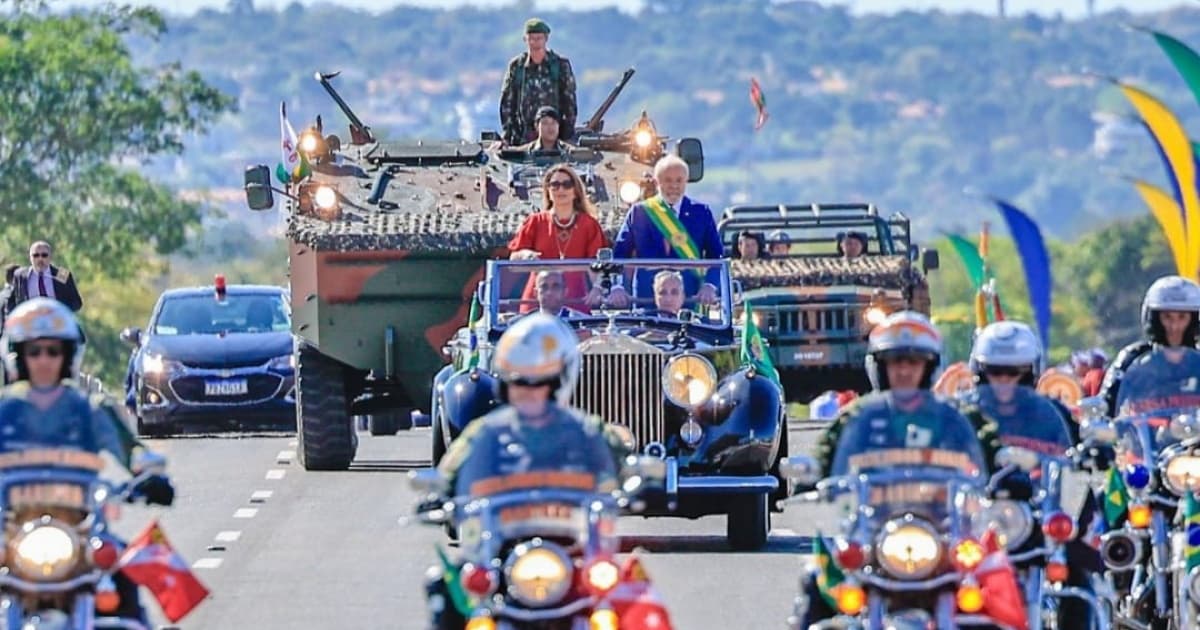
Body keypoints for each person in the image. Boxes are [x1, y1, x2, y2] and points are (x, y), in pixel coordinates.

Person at [427, 314, 635, 628]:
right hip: (501, 549)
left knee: (635, 593)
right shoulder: (483, 433)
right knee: (449, 587)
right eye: (520, 381)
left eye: (543, 383)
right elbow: (449, 472)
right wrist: (437, 493)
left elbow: (626, 467)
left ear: (561, 380)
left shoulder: (590, 431)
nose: (531, 392)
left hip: (576, 550)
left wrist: (642, 479)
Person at [797, 311, 999, 628]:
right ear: (880, 367)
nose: (904, 370)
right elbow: (825, 456)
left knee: (991, 594)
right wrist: (810, 474)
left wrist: (1008, 470)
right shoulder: (856, 416)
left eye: (913, 361)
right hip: (871, 532)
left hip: (944, 532)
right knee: (818, 581)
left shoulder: (956, 417)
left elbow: (992, 450)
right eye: (895, 362)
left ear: (929, 367)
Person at [0, 298, 174, 622]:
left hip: (81, 532)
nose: (44, 360)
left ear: (67, 355)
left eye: (53, 351)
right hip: (12, 532)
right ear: (18, 356)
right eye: (34, 351)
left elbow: (132, 452)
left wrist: (147, 473)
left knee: (125, 579)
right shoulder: (3, 409)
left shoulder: (91, 408)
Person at [964, 321, 1101, 630]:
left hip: (1040, 514)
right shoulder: (964, 416)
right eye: (995, 372)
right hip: (980, 520)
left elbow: (1078, 453)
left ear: (1030, 373)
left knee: (1075, 564)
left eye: (1014, 372)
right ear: (979, 371)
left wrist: (1095, 451)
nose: (1004, 381)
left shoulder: (1054, 412)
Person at [612, 155, 723, 303]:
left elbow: (716, 256)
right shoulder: (640, 212)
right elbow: (619, 254)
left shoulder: (701, 212)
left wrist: (710, 285)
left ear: (686, 181)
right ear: (657, 182)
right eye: (668, 180)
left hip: (690, 298)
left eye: (679, 180)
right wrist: (617, 286)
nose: (674, 186)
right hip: (647, 299)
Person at [508, 164, 607, 309]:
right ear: (548, 191)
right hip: (537, 301)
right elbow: (512, 262)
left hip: (575, 301)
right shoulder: (535, 221)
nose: (561, 189)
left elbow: (597, 265)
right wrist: (525, 255)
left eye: (567, 185)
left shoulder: (589, 224)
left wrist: (597, 288)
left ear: (575, 191)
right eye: (555, 185)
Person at [1101, 275, 1200, 415]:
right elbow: (1106, 405)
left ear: (1194, 320)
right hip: (1143, 436)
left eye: (1182, 317)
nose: (1174, 326)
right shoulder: (1133, 360)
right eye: (1167, 317)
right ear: (1154, 319)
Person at [499, 18, 578, 146]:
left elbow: (569, 102)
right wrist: (509, 135)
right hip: (523, 135)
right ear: (525, 40)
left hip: (554, 134)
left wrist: (566, 133)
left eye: (539, 38)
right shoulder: (517, 66)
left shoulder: (560, 65)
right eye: (531, 38)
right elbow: (507, 103)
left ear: (546, 39)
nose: (535, 42)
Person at [6, 241, 83, 313]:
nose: (40, 259)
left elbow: (76, 303)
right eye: (36, 255)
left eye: (44, 255)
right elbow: (11, 304)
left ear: (50, 257)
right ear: (30, 257)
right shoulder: (20, 275)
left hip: (57, 323)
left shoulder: (61, 274)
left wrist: (58, 310)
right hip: (30, 324)